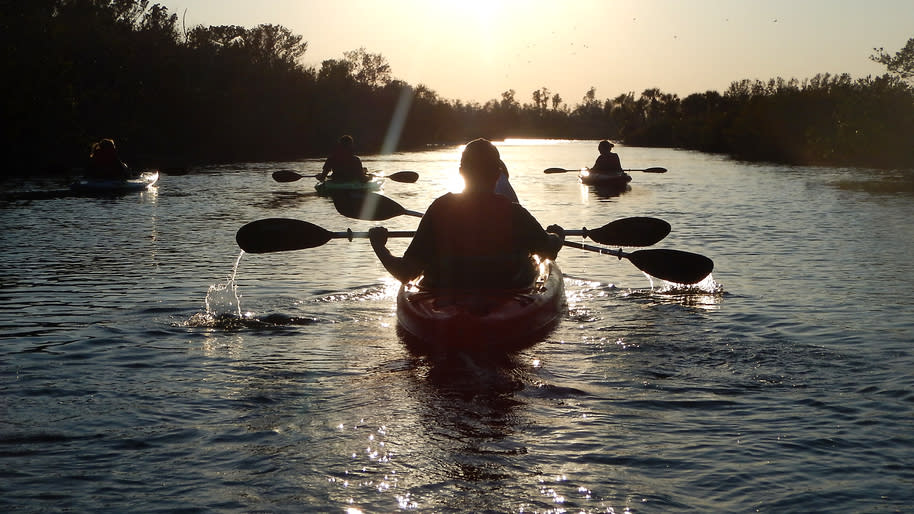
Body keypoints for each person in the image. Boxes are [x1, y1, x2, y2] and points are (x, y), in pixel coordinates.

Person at [369, 138, 564, 289]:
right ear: (498, 175)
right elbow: (548, 250)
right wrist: (557, 236)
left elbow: (406, 273)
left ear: (461, 172)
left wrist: (379, 247)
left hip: (446, 297)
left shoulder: (440, 209)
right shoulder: (514, 212)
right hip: (505, 291)